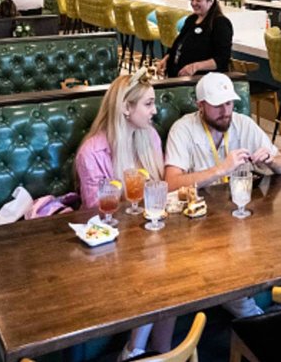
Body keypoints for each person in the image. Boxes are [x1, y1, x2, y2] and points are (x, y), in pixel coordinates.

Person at [164, 72, 281, 318]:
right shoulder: (183, 129)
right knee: (220, 269)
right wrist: (220, 169)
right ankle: (257, 321)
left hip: (242, 217)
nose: (225, 110)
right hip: (201, 227)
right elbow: (170, 183)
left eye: (229, 103)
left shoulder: (243, 123)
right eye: (217, 105)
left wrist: (271, 160)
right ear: (200, 105)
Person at [74, 68, 175, 361]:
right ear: (125, 108)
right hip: (106, 244)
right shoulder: (92, 152)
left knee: (168, 273)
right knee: (158, 275)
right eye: (148, 104)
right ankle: (137, 350)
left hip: (146, 238)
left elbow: (161, 191)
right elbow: (97, 209)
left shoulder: (151, 138)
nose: (156, 110)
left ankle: (149, 352)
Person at [156, 0, 231, 78]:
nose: (194, 3)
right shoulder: (191, 19)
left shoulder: (220, 23)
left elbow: (222, 59)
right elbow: (178, 43)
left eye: (198, 0)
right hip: (177, 76)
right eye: (192, 0)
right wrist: (166, 58)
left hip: (200, 80)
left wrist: (195, 67)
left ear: (211, 1)